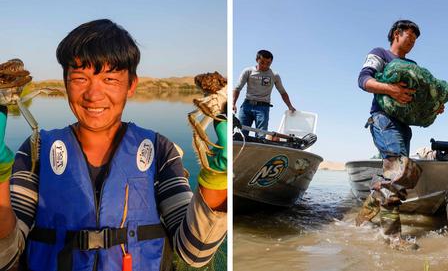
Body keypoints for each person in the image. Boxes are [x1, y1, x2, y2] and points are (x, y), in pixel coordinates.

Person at [0, 19, 227, 270]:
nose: (93, 95)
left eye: (109, 79)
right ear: (65, 82)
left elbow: (195, 253)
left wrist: (218, 177)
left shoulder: (160, 151)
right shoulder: (37, 150)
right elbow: (5, 256)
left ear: (131, 85)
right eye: (79, 78)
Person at [357, 20, 443, 249]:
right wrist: (391, 89)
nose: (413, 43)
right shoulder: (380, 54)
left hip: (404, 126)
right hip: (383, 120)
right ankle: (391, 237)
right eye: (410, 37)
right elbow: (363, 80)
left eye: (416, 40)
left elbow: (417, 97)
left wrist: (434, 105)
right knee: (400, 172)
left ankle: (361, 220)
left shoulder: (411, 64)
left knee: (398, 176)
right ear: (397, 34)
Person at [233, 50, 296, 137]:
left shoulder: (274, 75)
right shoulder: (248, 71)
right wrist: (233, 103)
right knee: (240, 134)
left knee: (260, 135)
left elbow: (282, 92)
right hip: (246, 106)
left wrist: (290, 106)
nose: (265, 65)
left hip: (263, 108)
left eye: (268, 63)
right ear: (257, 60)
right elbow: (237, 88)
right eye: (262, 62)